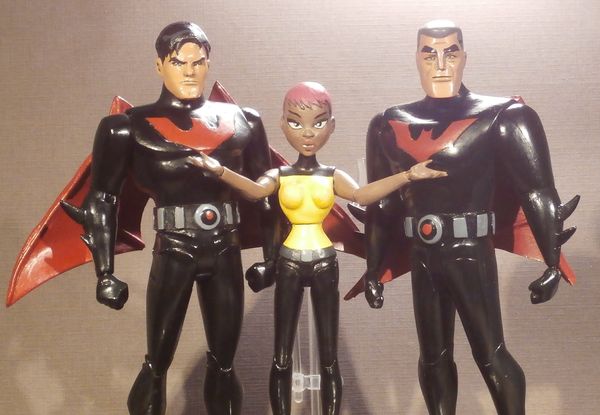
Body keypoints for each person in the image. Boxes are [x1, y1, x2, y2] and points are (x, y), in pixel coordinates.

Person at [360, 20, 578, 415]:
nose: (441, 64)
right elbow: (383, 204)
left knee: (490, 354)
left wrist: (552, 262)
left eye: (451, 52)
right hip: (422, 253)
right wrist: (373, 269)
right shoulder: (387, 123)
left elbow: (536, 191)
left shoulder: (503, 115)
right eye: (430, 53)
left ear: (464, 57)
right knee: (432, 358)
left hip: (470, 250)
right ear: (417, 59)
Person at [190, 81, 446, 415]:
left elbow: (362, 195)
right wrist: (221, 171)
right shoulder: (278, 175)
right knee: (282, 356)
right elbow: (254, 192)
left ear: (331, 126)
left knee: (328, 356)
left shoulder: (331, 175)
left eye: (319, 122)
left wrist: (407, 176)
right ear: (283, 125)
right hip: (289, 261)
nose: (308, 132)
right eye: (296, 123)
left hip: (325, 261)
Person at [61, 22, 278, 415]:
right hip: (174, 248)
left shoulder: (243, 120)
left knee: (225, 363)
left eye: (198, 62)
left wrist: (272, 258)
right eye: (179, 62)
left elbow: (268, 193)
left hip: (225, 246)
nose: (189, 71)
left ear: (208, 63)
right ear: (160, 65)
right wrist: (105, 273)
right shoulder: (126, 127)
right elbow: (102, 200)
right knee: (157, 362)